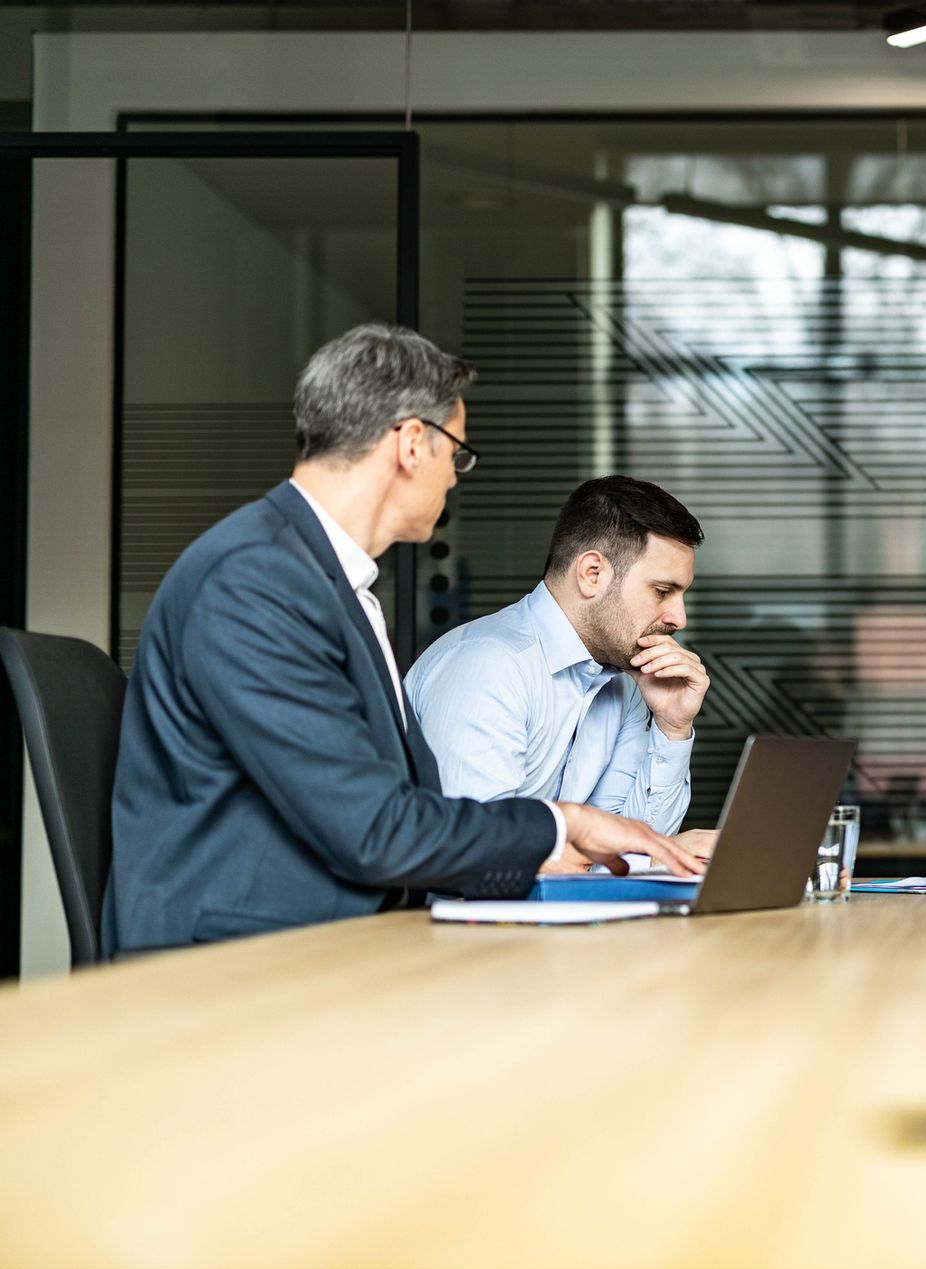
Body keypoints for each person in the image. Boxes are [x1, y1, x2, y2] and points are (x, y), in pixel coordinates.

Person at [102, 324, 697, 955]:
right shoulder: (254, 581)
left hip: (326, 940)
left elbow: (396, 811)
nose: (454, 480)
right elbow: (374, 828)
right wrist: (562, 824)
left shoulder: (326, 581)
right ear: (413, 443)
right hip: (242, 961)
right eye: (456, 455)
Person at [406, 477, 715, 866]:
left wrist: (670, 728)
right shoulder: (490, 666)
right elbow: (480, 860)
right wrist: (661, 856)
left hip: (562, 921)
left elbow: (622, 848)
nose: (679, 618)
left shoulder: (626, 683)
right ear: (592, 574)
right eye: (662, 591)